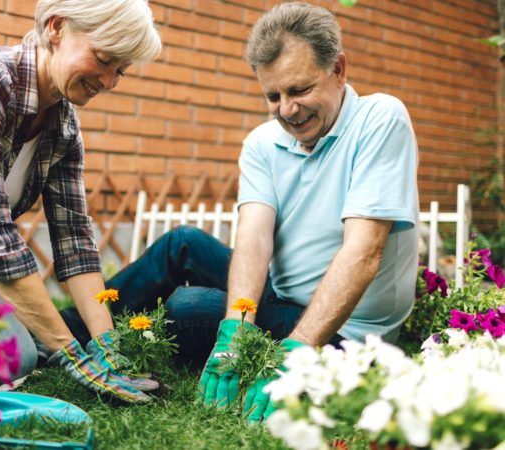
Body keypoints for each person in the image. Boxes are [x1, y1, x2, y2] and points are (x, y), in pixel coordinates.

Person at [60, 0, 418, 420]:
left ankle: (83, 336)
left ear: (338, 69)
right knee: (183, 242)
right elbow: (253, 238)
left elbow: (364, 252)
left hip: (347, 332)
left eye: (299, 90)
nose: (287, 109)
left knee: (187, 307)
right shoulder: (263, 143)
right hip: (281, 296)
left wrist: (297, 351)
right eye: (273, 95)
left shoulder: (380, 119)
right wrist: (235, 330)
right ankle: (66, 335)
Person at [0, 0, 162, 403]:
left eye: (121, 71)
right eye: (104, 59)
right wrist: (73, 355)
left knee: (15, 353)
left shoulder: (62, 128)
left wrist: (109, 349)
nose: (110, 82)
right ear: (57, 28)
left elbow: (75, 243)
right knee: (23, 351)